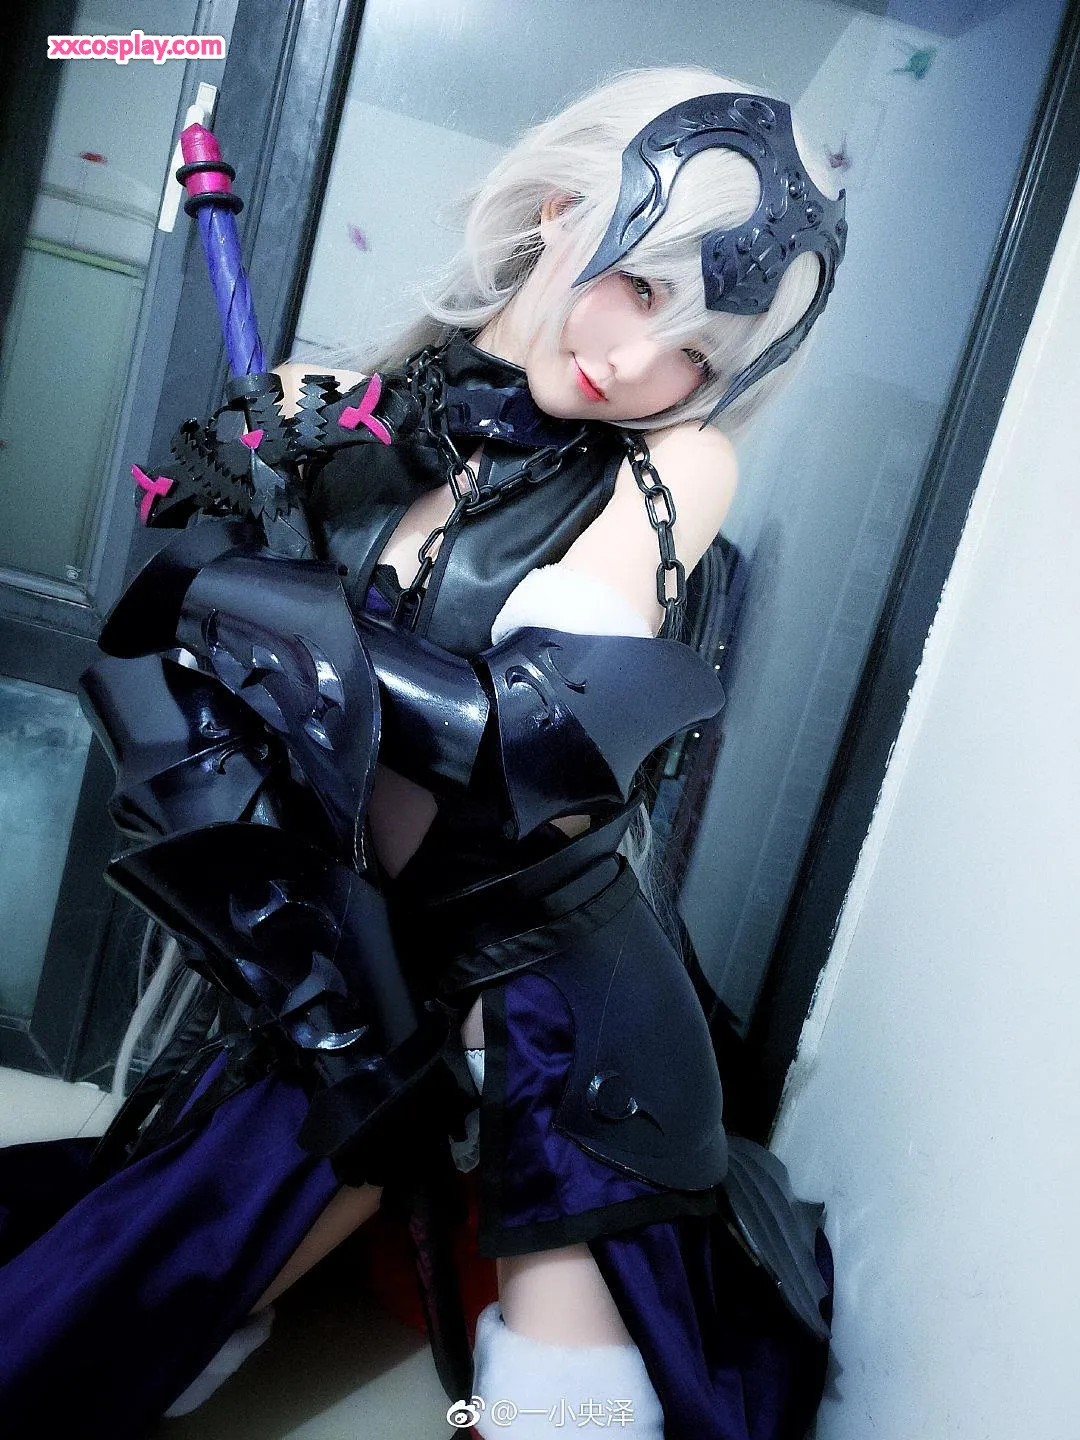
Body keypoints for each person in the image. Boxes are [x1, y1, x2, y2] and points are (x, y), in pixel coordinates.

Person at [0, 67, 844, 1439]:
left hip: (563, 1005)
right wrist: (224, 544)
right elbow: (154, 663)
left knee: (571, 1417)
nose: (643, 364)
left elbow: (534, 739)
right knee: (90, 1326)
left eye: (697, 350)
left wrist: (281, 621)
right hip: (356, 985)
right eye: (640, 286)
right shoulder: (329, 412)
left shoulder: (673, 467)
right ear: (563, 210)